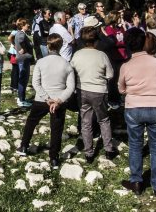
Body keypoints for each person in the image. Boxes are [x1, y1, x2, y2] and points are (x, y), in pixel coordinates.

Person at [118, 28, 156, 197]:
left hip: (134, 106)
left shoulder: (126, 65)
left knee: (135, 144)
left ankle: (136, 181)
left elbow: (121, 88)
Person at [16, 34, 76, 169]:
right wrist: (59, 100)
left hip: (42, 100)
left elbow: (35, 83)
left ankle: (24, 146)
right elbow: (71, 87)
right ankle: (54, 158)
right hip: (58, 101)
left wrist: (46, 98)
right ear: (61, 46)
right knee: (56, 129)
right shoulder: (67, 64)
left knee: (31, 122)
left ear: (48, 46)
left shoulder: (41, 62)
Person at [70, 26, 117, 163]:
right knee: (103, 120)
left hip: (82, 90)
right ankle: (108, 149)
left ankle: (89, 152)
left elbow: (72, 70)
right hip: (99, 91)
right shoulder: (102, 55)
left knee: (86, 122)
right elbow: (110, 74)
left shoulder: (77, 55)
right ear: (96, 41)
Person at [103, 10, 128, 109]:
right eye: (119, 17)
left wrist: (124, 27)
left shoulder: (120, 28)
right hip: (114, 57)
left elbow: (126, 37)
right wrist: (121, 43)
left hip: (123, 56)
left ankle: (120, 97)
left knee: (121, 78)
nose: (121, 19)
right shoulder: (109, 29)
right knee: (113, 79)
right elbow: (113, 43)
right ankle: (113, 99)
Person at [14, 18, 34, 108]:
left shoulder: (20, 33)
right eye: (27, 24)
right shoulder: (21, 34)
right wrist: (24, 49)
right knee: (23, 79)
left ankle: (21, 98)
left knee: (22, 79)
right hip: (23, 59)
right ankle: (22, 100)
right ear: (22, 25)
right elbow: (21, 40)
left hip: (23, 59)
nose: (28, 25)